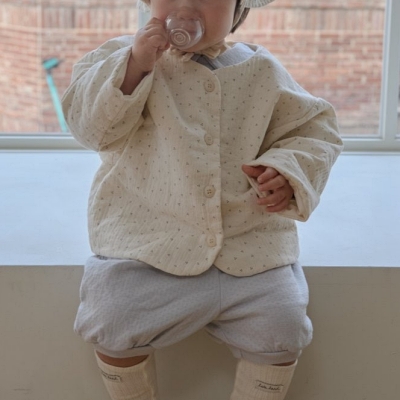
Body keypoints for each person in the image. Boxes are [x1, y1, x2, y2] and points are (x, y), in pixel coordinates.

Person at [62, 0, 343, 399]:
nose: (187, 6)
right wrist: (134, 67)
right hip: (147, 245)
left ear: (238, 7)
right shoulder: (120, 59)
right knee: (110, 316)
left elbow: (315, 130)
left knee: (283, 323)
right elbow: (90, 128)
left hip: (250, 247)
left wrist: (287, 171)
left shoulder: (262, 70)